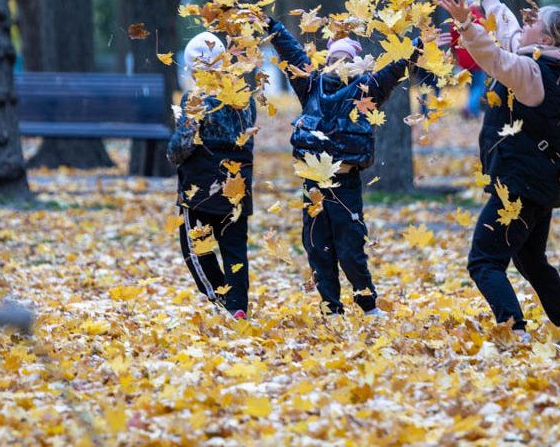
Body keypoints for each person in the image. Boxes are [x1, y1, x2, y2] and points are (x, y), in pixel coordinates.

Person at [438, 0, 560, 342]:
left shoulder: (533, 74)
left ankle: (515, 330)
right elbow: (510, 32)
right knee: (531, 259)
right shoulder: (551, 63)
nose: (527, 22)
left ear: (546, 37)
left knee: (484, 261)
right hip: (538, 182)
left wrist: (467, 28)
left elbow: (496, 58)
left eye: (536, 21)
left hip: (519, 184)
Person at [267, 17, 421, 317]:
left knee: (351, 249)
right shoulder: (312, 86)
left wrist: (417, 46)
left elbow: (393, 70)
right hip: (314, 187)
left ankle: (368, 305)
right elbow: (292, 53)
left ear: (357, 65)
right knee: (317, 248)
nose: (340, 65)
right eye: (335, 59)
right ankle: (330, 308)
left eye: (347, 60)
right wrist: (272, 26)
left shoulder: (366, 91)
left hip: (344, 185)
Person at [167, 32, 256, 320]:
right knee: (234, 250)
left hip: (201, 190)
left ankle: (220, 296)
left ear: (194, 68)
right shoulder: (245, 98)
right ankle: (238, 306)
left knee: (195, 248)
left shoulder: (195, 99)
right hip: (237, 186)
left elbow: (180, 147)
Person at [448, 0, 488, 118]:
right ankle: (470, 108)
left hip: (463, 58)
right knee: (479, 86)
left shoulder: (457, 19)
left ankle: (473, 112)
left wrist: (455, 52)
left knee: (471, 85)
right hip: (478, 57)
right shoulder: (480, 18)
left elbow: (453, 38)